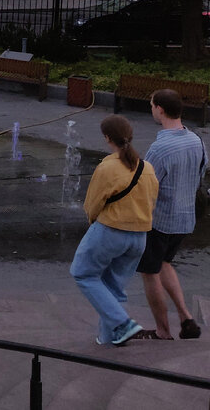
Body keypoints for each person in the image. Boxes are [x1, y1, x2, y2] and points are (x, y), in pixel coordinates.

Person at [70, 114, 159, 347]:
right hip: (139, 238)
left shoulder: (108, 167)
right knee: (113, 286)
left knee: (83, 273)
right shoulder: (147, 167)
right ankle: (110, 338)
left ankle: (123, 323)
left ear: (107, 138)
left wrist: (94, 225)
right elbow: (152, 201)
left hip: (111, 230)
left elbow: (92, 204)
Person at [135, 89, 207, 340]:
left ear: (160, 110)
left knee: (149, 272)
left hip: (160, 221)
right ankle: (186, 318)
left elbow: (146, 186)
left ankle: (163, 331)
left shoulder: (160, 148)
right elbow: (200, 175)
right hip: (185, 219)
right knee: (164, 263)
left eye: (152, 105)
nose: (152, 109)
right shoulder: (196, 140)